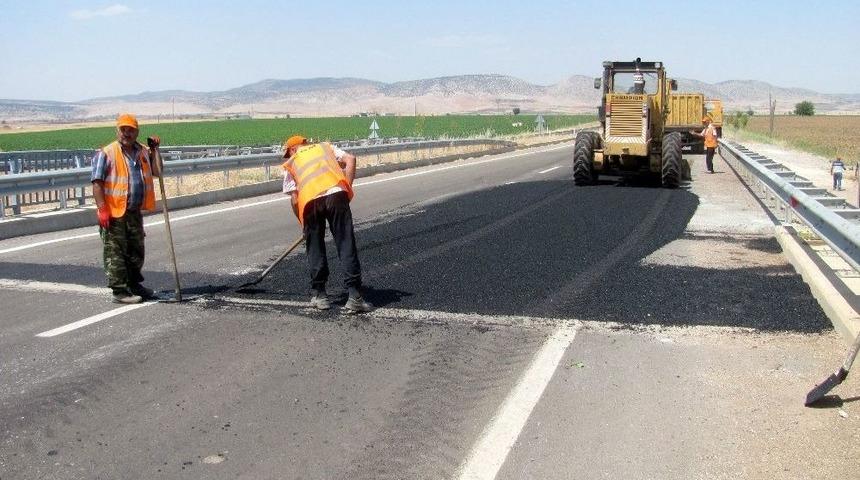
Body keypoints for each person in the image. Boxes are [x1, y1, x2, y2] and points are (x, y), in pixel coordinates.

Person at [281, 135, 372, 314]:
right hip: (336, 195)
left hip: (309, 202)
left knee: (314, 246)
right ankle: (354, 297)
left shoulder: (292, 162)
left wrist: (304, 224)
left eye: (288, 152)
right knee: (345, 242)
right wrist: (347, 191)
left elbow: (294, 199)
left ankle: (320, 296)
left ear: (293, 149)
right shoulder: (325, 147)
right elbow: (351, 159)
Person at [91, 113, 161, 304]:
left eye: (130, 130)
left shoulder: (143, 151)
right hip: (114, 212)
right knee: (116, 252)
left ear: (137, 132)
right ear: (117, 130)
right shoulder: (107, 153)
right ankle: (120, 291)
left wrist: (155, 150)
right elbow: (97, 183)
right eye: (123, 130)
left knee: (136, 251)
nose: (126, 133)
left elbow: (158, 171)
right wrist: (102, 209)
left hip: (133, 211)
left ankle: (134, 284)